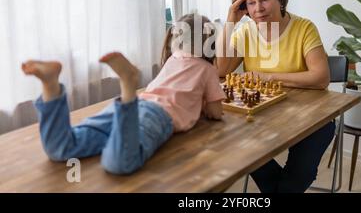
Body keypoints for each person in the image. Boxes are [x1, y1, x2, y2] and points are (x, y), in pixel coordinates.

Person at [22, 13, 225, 175]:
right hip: (157, 117)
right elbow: (216, 112)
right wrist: (204, 105)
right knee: (120, 163)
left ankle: (50, 86)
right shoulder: (208, 70)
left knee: (61, 148)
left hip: (134, 106)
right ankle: (128, 83)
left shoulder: (173, 60)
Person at [215, 0, 334, 193]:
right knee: (241, 152)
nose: (258, 8)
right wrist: (231, 19)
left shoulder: (304, 28)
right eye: (250, 3)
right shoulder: (245, 32)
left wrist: (267, 76)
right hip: (263, 116)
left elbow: (321, 78)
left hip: (311, 117)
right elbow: (221, 70)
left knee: (299, 175)